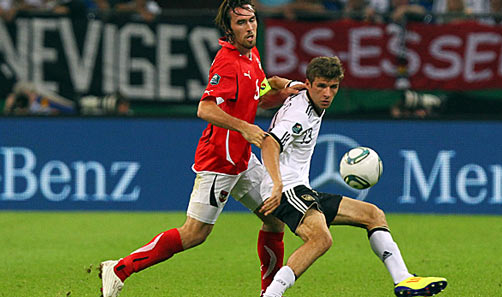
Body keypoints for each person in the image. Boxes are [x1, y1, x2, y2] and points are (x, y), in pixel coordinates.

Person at [99, 1, 305, 297]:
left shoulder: (252, 55)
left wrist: (280, 90)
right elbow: (205, 108)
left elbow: (255, 94)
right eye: (241, 23)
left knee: (274, 219)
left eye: (252, 21)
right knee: (195, 233)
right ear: (229, 29)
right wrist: (246, 128)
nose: (250, 28)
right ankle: (119, 269)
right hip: (219, 159)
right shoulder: (227, 60)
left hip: (242, 160)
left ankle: (268, 293)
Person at [258, 56, 448, 297]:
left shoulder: (303, 90)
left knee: (373, 214)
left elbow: (274, 81)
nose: (327, 93)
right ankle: (271, 295)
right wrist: (276, 185)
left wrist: (278, 85)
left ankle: (404, 279)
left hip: (300, 188)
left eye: (333, 87)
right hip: (285, 189)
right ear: (309, 84)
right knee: (320, 239)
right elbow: (269, 144)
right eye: (321, 86)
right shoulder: (299, 115)